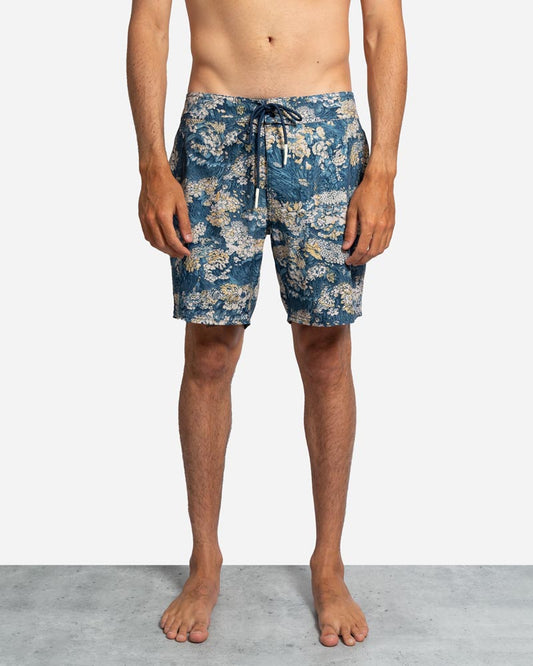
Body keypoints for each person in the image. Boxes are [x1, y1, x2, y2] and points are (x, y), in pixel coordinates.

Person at [126, 0, 407, 649]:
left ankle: (328, 565)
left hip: (323, 131)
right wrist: (151, 165)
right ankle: (204, 561)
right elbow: (150, 24)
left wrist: (383, 170)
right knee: (208, 350)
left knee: (326, 351)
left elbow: (382, 29)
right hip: (214, 128)